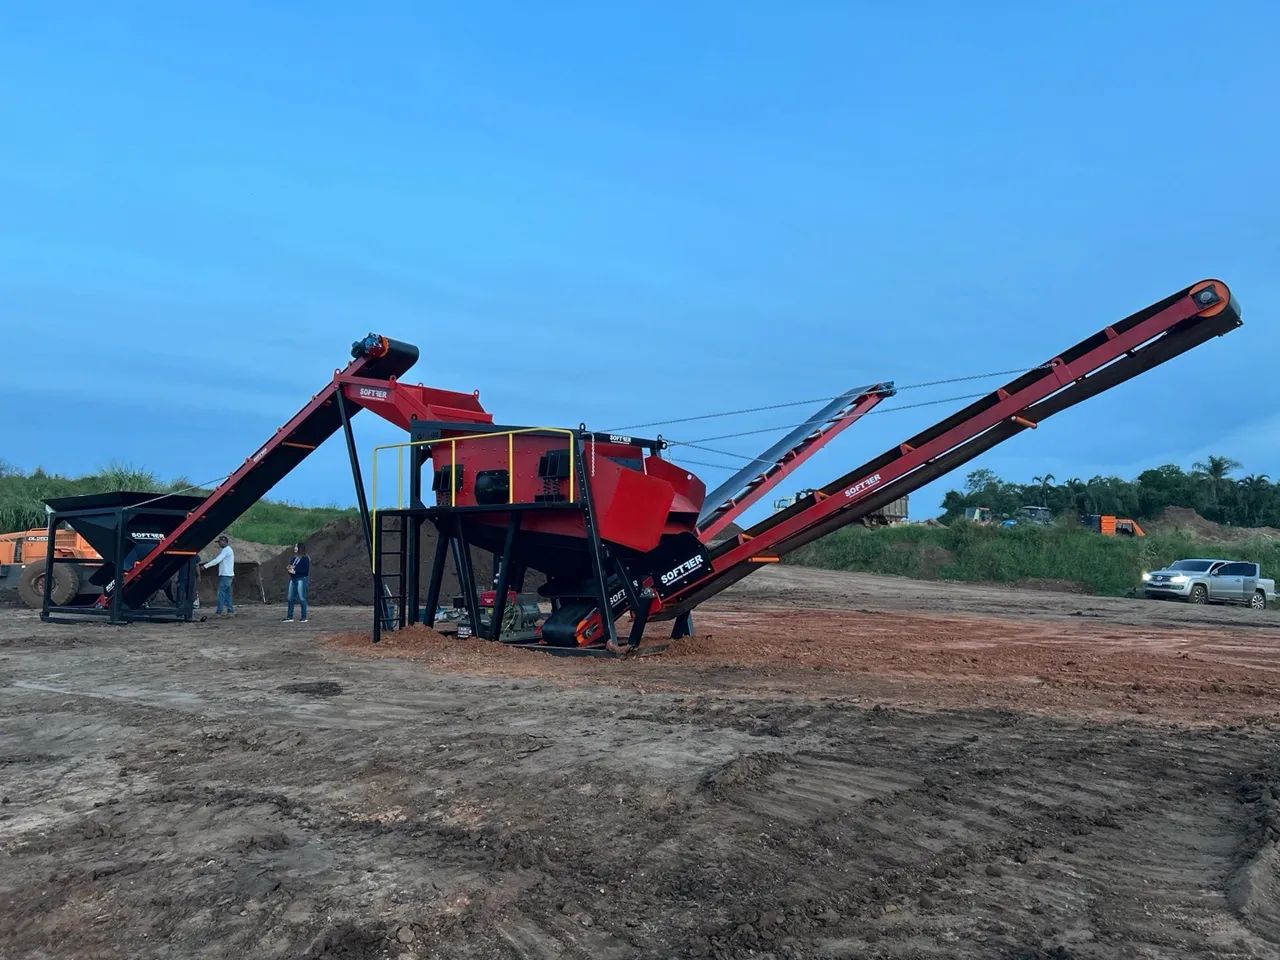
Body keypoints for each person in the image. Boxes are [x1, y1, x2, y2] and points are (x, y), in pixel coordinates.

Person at [201, 534, 235, 617]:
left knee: (221, 594)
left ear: (224, 542)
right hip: (229, 575)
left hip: (225, 575)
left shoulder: (226, 550)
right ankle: (230, 611)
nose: (219, 544)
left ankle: (219, 612)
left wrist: (205, 566)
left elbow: (217, 560)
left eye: (220, 542)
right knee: (227, 594)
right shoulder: (228, 550)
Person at [284, 542, 310, 623]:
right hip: (293, 579)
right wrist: (289, 569)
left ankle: (304, 617)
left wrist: (295, 572)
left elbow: (306, 571)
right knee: (290, 598)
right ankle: (289, 617)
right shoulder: (294, 558)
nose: (295, 548)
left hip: (301, 579)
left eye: (296, 546)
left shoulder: (305, 558)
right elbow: (291, 567)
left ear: (300, 548)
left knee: (302, 598)